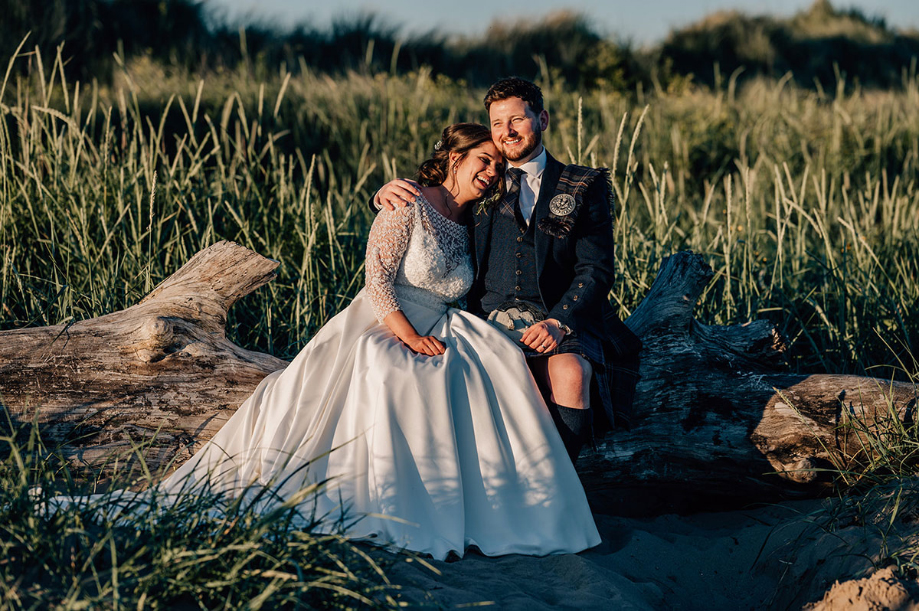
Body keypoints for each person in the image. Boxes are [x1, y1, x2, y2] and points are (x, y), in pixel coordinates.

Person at [54, 123, 601, 561]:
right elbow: (377, 280)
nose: (490, 171)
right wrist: (408, 335)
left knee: (492, 362)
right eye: (482, 160)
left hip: (441, 323)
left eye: (496, 165)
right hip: (384, 320)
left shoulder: (475, 219)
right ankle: (395, 503)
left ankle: (516, 498)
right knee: (393, 368)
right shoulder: (406, 202)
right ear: (453, 158)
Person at [374, 78, 642, 465]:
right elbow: (434, 209)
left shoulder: (581, 185)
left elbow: (596, 269)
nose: (507, 132)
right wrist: (382, 194)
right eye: (498, 123)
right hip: (486, 320)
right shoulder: (482, 179)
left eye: (518, 119)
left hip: (553, 316)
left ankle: (563, 484)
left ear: (543, 119)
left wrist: (558, 323)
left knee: (571, 374)